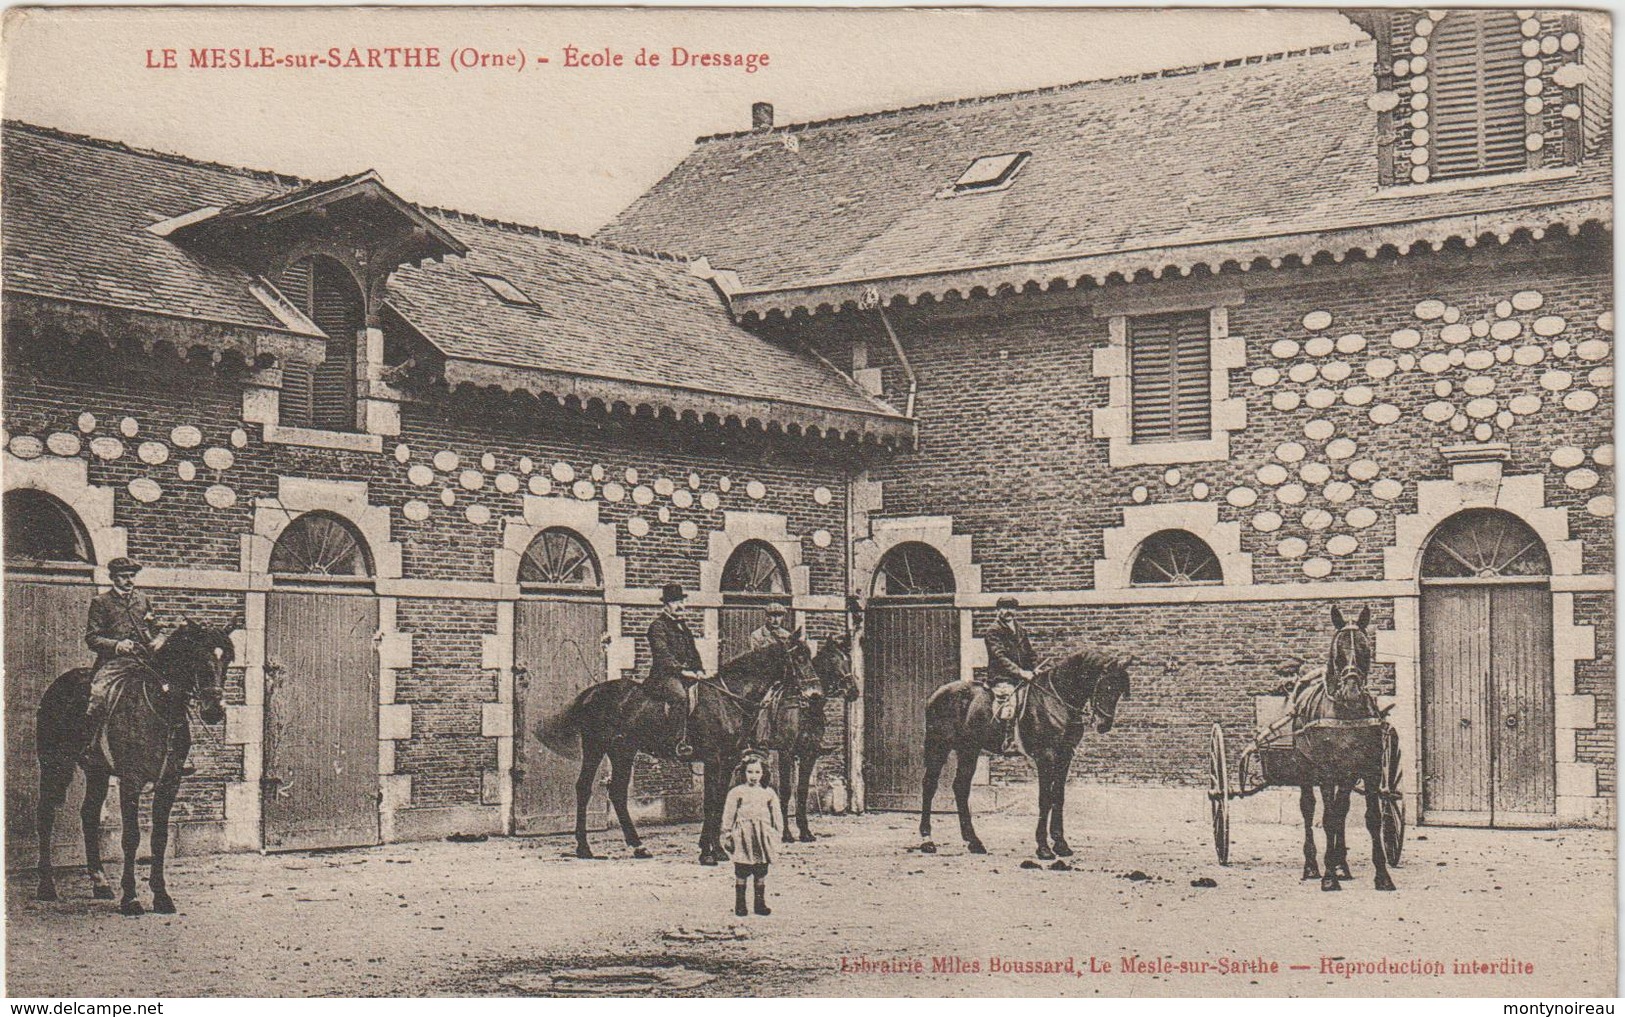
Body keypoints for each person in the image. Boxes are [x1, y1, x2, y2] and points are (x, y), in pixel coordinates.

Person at [84, 556, 159, 726]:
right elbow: (92, 638)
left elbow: (152, 629)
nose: (129, 580)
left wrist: (155, 638)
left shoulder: (142, 599)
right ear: (112, 578)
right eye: (124, 576)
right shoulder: (101, 602)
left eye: (132, 576)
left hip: (143, 659)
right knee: (98, 694)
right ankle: (93, 739)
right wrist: (117, 646)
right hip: (113, 661)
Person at [645, 582, 707, 761]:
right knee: (680, 697)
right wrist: (682, 671)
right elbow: (662, 655)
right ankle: (675, 742)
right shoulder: (657, 626)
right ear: (665, 605)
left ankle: (697, 738)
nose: (680, 606)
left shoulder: (683, 627)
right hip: (664, 676)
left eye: (681, 601)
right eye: (674, 602)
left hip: (686, 675)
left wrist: (699, 669)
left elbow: (693, 652)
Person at [721, 751, 782, 917]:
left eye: (757, 772)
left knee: (761, 869)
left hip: (762, 835)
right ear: (743, 773)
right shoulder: (736, 792)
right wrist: (727, 834)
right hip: (743, 834)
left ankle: (759, 904)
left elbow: (777, 815)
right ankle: (740, 905)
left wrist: (776, 834)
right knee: (742, 868)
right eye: (750, 772)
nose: (754, 776)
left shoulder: (769, 793)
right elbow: (728, 814)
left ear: (763, 773)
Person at [982, 596, 1035, 756]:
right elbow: (999, 657)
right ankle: (1009, 741)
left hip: (1022, 677)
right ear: (998, 611)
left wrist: (1034, 668)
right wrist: (1020, 672)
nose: (1008, 611)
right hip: (1001, 678)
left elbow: (1029, 653)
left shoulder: (1020, 630)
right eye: (1004, 608)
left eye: (1011, 608)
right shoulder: (993, 631)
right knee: (1009, 702)